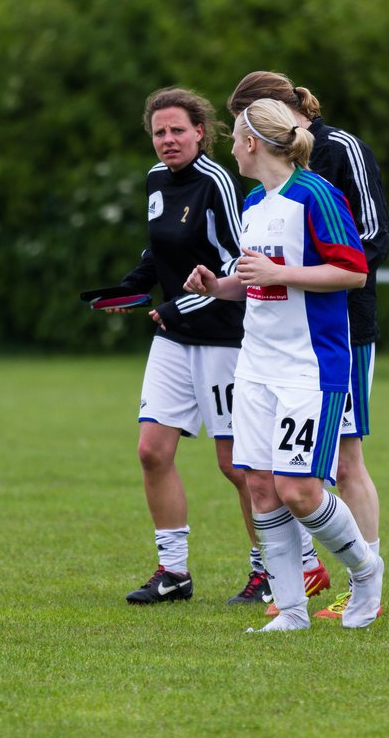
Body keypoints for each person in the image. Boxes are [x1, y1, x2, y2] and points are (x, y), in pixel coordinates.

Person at [184, 98, 384, 631]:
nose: (230, 147)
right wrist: (219, 285)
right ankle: (291, 610)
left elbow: (352, 272)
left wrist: (279, 270)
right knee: (261, 486)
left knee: (300, 491)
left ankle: (366, 572)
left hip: (308, 368)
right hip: (255, 367)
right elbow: (257, 283)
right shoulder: (254, 202)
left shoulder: (316, 194)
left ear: (252, 143)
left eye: (234, 138)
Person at [110, 87, 272, 605]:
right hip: (173, 338)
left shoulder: (217, 182)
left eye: (177, 129)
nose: (167, 140)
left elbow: (236, 266)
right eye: (159, 132)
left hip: (223, 337)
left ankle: (267, 567)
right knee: (151, 451)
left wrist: (178, 305)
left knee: (237, 465)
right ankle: (173, 573)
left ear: (200, 131)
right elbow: (158, 251)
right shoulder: (157, 180)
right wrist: (131, 288)